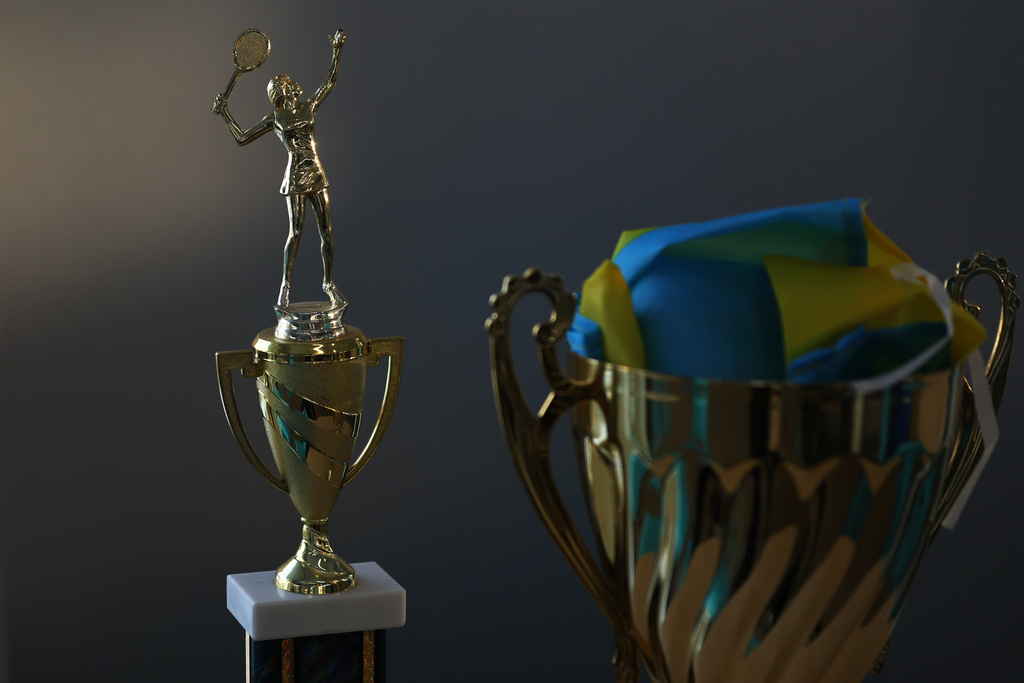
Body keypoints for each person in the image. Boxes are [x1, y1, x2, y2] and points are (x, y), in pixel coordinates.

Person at [214, 30, 346, 309]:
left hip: (316, 172)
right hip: (296, 176)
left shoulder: (309, 106)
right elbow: (241, 138)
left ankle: (329, 283)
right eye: (281, 83)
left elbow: (330, 82)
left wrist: (336, 50)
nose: (287, 84)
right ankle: (285, 287)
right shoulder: (274, 118)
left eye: (285, 81)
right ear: (278, 93)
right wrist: (225, 113)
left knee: (327, 232)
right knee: (296, 232)